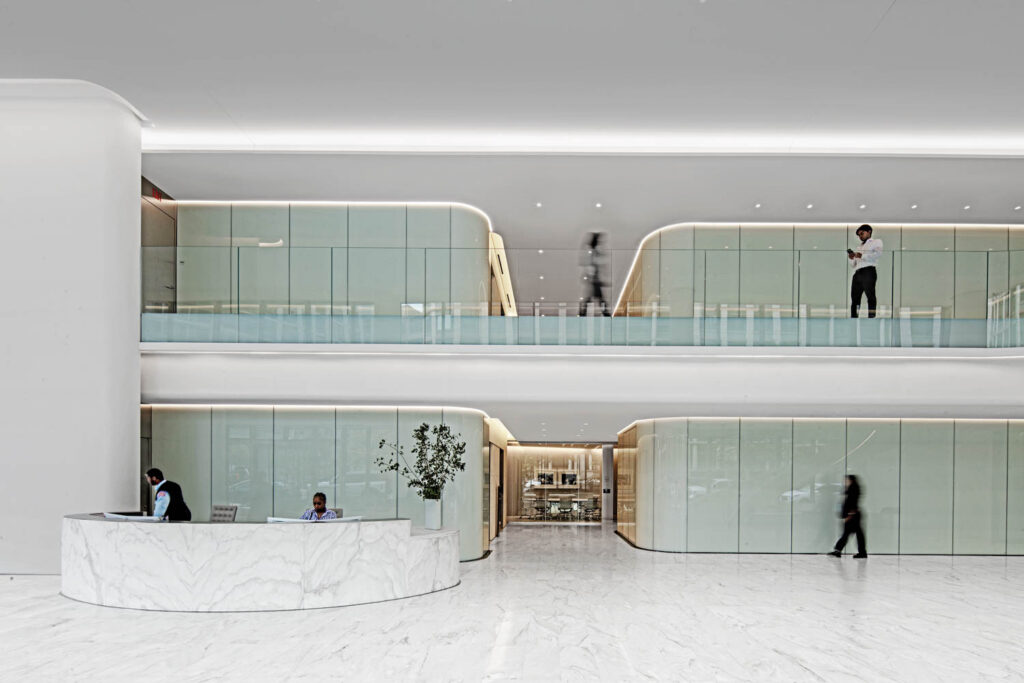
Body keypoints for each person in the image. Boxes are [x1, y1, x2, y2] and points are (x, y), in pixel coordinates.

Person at [848, 224, 883, 318]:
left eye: (862, 233)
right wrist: (851, 258)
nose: (860, 236)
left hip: (868, 271)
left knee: (870, 296)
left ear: (869, 232)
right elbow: (853, 265)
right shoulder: (859, 247)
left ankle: (871, 318)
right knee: (855, 298)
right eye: (859, 235)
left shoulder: (876, 242)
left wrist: (862, 256)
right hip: (857, 272)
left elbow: (878, 254)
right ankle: (854, 318)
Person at [829, 475, 867, 558]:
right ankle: (861, 552)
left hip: (852, 516)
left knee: (848, 534)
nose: (845, 482)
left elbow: (853, 502)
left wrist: (849, 515)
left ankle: (838, 550)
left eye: (846, 480)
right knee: (856, 534)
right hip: (854, 515)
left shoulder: (853, 489)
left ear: (851, 480)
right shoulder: (852, 488)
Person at [579, 231, 611, 316]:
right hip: (594, 281)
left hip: (594, 281)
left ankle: (583, 313)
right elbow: (593, 267)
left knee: (592, 299)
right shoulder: (593, 253)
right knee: (599, 299)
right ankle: (606, 315)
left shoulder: (592, 252)